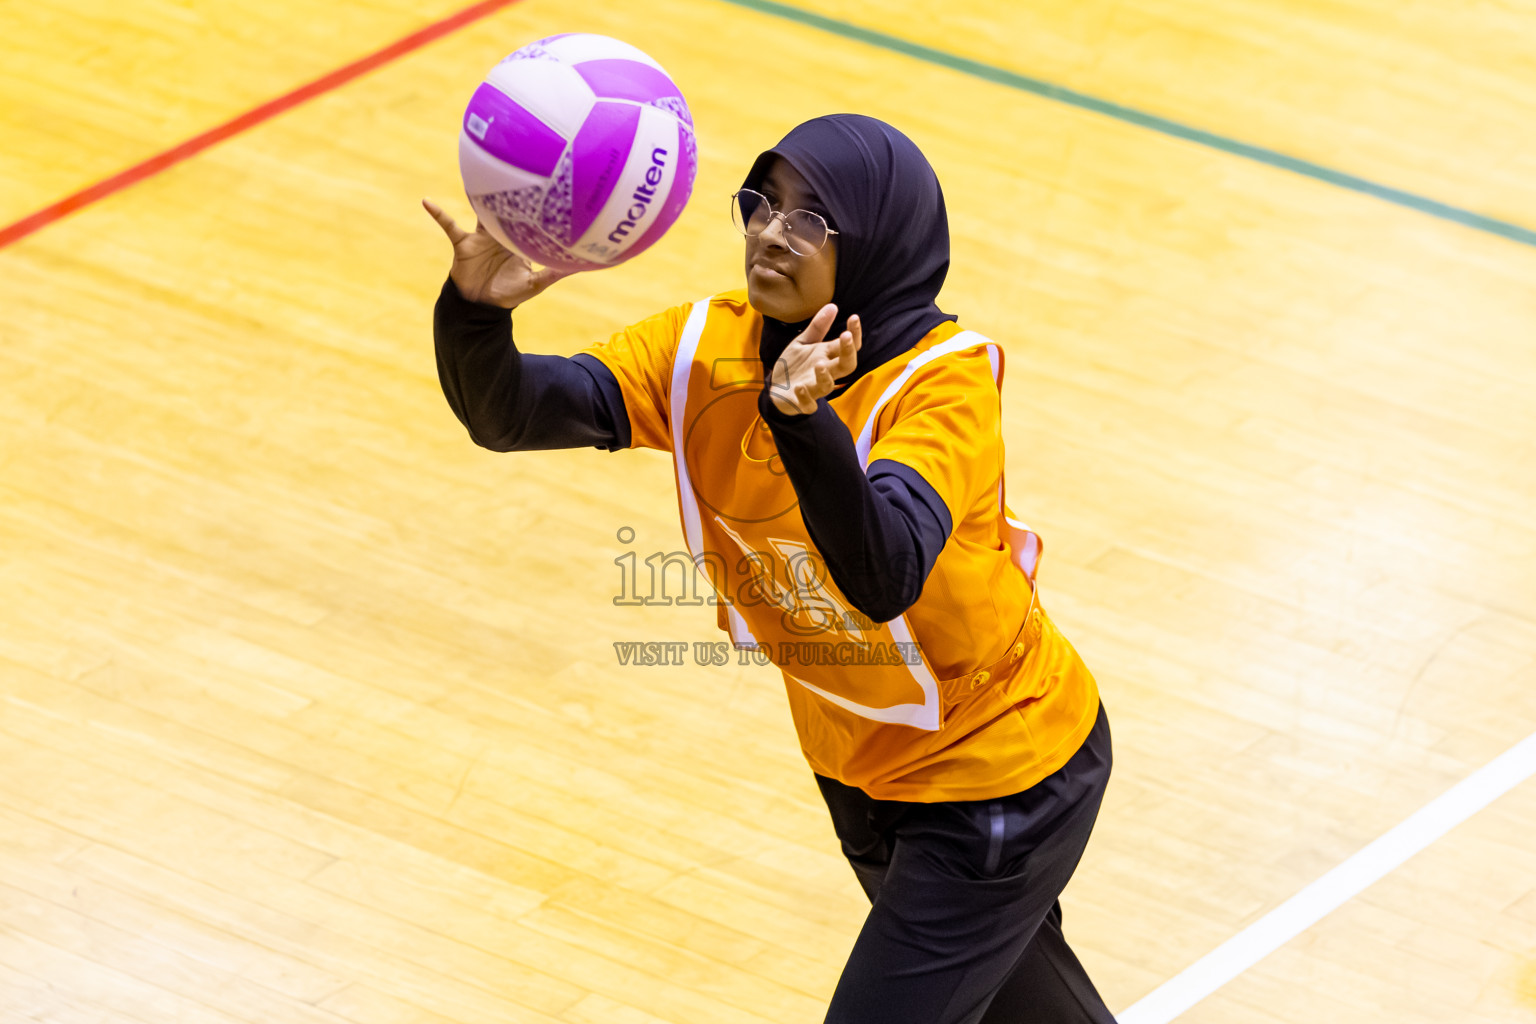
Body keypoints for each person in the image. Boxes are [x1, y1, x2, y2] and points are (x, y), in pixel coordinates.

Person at [425, 114, 1117, 1024]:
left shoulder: (941, 385)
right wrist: (476, 316)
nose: (768, 231)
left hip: (1000, 779)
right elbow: (511, 414)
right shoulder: (704, 347)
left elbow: (885, 570)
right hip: (862, 770)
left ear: (871, 244)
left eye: (809, 219)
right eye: (762, 203)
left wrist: (803, 421)